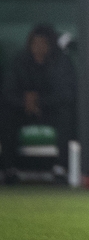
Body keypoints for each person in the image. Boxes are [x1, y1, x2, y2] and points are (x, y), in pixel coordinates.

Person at [0, 25, 77, 184]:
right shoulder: (20, 60)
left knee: (65, 115)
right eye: (35, 43)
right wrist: (24, 102)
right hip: (24, 110)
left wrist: (39, 101)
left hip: (49, 111)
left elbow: (66, 94)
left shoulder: (61, 62)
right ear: (30, 44)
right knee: (6, 114)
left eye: (43, 44)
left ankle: (60, 168)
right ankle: (9, 168)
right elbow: (7, 92)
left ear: (51, 46)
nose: (39, 48)